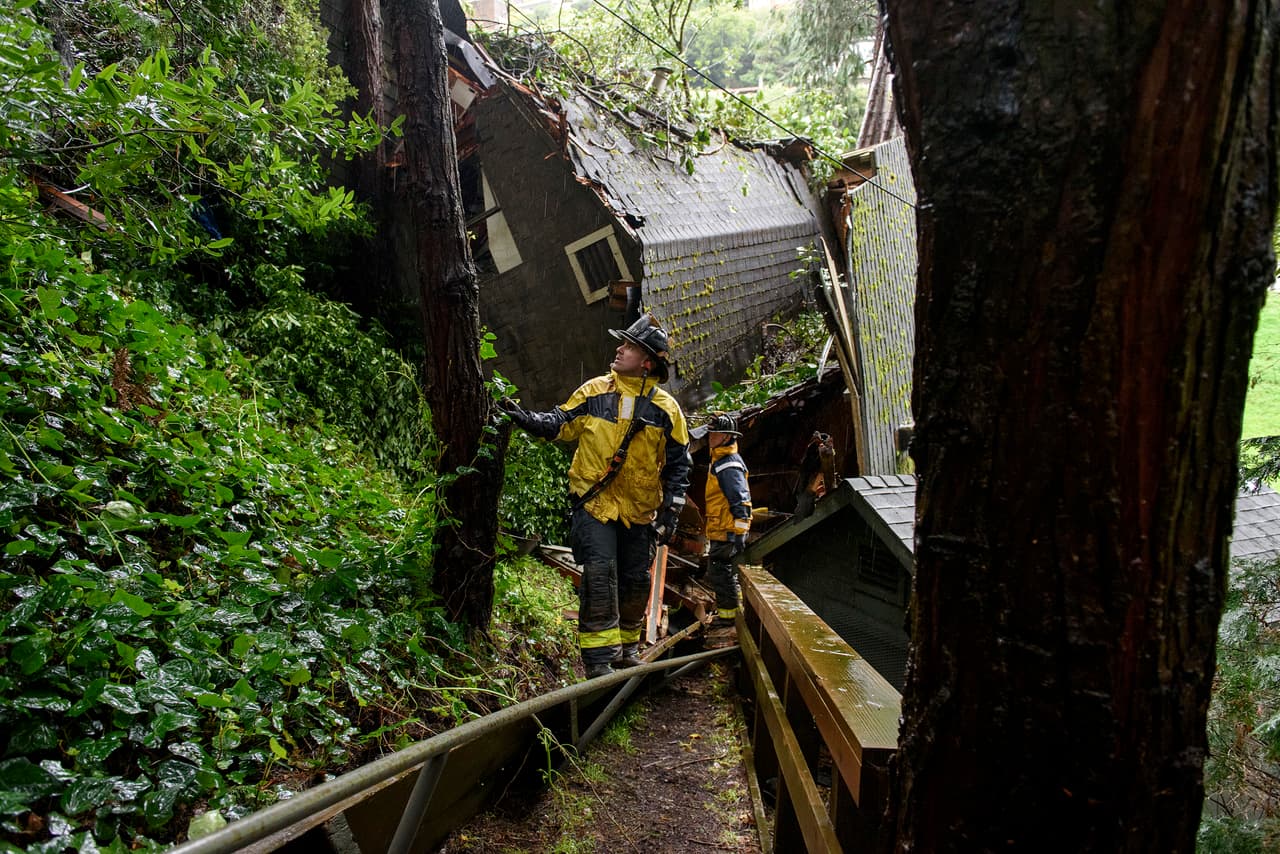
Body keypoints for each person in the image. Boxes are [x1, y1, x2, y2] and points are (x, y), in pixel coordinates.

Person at [500, 314, 691, 680]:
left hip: (638, 511)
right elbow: (558, 423)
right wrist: (521, 416)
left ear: (647, 360)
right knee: (600, 573)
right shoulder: (594, 391)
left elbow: (679, 465)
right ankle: (598, 661)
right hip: (594, 504)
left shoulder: (667, 410)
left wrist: (671, 512)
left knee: (635, 579)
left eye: (629, 346)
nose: (619, 350)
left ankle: (627, 650)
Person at [699, 413, 751, 626]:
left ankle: (730, 618)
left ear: (728, 437)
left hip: (727, 529)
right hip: (721, 527)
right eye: (710, 432)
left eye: (716, 433)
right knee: (720, 570)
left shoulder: (728, 465)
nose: (711, 437)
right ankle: (730, 615)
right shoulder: (720, 460)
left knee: (720, 571)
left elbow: (741, 502)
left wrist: (740, 532)